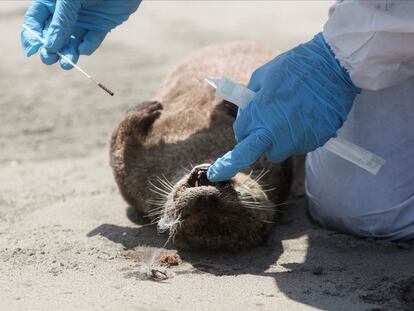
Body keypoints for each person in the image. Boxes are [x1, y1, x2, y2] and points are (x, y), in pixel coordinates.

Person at [22, 0, 414, 240]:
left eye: (193, 212)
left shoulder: (145, 189)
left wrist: (336, 61)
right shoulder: (268, 179)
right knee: (364, 211)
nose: (207, 195)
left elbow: (127, 155)